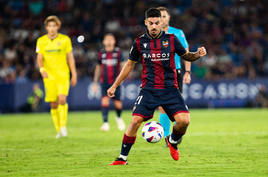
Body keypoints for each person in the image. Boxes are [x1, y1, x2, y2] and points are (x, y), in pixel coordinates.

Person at [108, 8, 206, 165]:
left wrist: (197, 54)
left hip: (170, 88)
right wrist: (114, 85)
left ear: (162, 22)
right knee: (134, 121)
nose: (154, 26)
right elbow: (129, 65)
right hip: (149, 89)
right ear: (146, 23)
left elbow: (186, 55)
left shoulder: (172, 39)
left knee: (184, 121)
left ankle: (173, 141)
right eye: (151, 23)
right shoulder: (139, 42)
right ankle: (122, 158)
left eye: (157, 23)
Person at [36, 15, 77, 139]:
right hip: (49, 76)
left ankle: (63, 127)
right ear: (46, 27)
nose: (52, 28)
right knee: (53, 104)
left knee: (62, 99)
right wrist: (41, 69)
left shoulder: (65, 40)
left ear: (58, 27)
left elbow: (70, 58)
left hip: (63, 74)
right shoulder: (41, 41)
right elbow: (39, 58)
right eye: (50, 26)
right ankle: (58, 129)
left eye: (54, 26)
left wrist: (73, 74)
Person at [157, 6, 191, 144]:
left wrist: (187, 72)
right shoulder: (153, 35)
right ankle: (166, 136)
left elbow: (186, 53)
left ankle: (177, 130)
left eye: (164, 16)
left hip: (174, 72)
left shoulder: (177, 33)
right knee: (161, 105)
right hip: (158, 73)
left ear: (169, 17)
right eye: (160, 16)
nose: (162, 18)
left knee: (175, 105)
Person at [93, 33, 126, 131]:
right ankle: (105, 123)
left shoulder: (118, 52)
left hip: (116, 83)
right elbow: (98, 68)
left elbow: (123, 66)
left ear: (114, 41)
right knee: (104, 102)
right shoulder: (101, 53)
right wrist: (95, 82)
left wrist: (123, 78)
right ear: (103, 42)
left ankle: (119, 118)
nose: (109, 41)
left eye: (111, 39)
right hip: (104, 82)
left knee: (118, 104)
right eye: (107, 39)